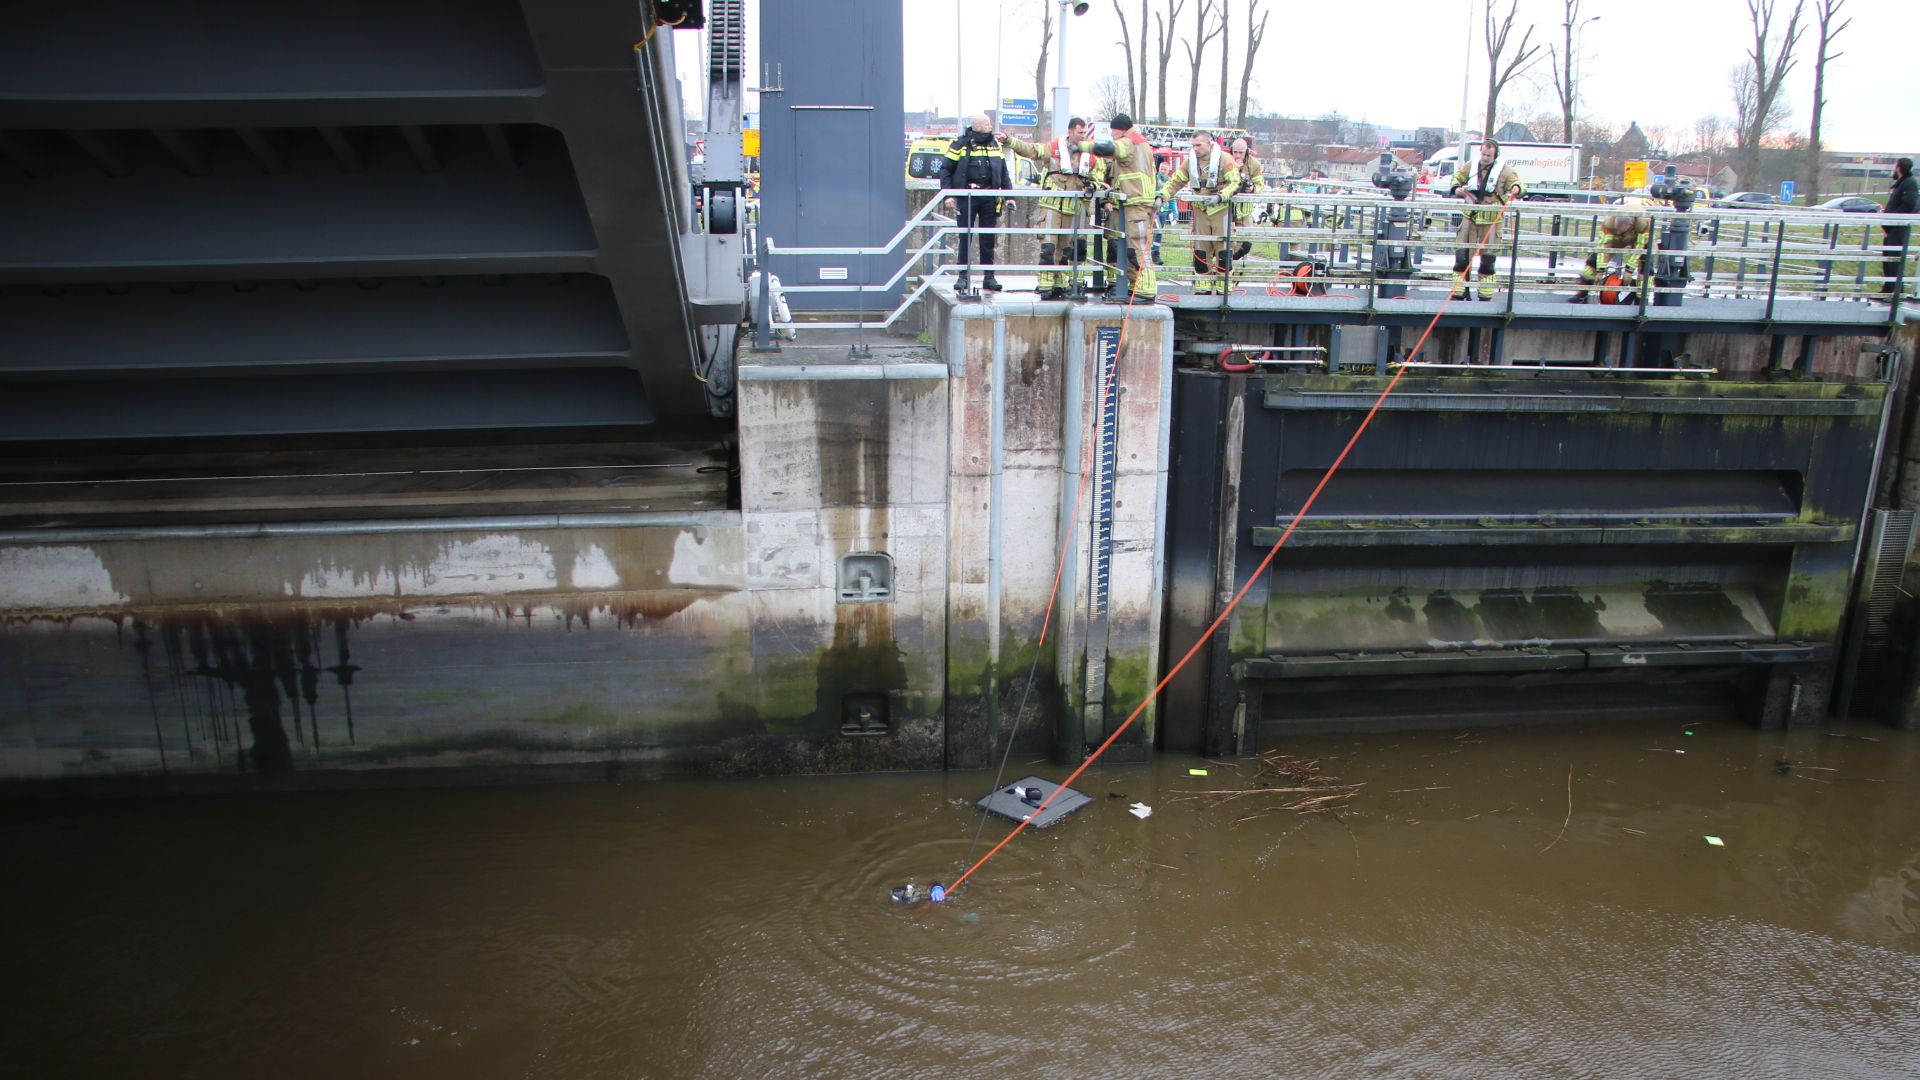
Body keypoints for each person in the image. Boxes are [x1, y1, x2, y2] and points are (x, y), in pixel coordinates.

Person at [1004, 117, 1109, 300]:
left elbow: (1099, 175)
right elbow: (1032, 150)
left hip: (1079, 207)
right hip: (1052, 204)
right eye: (1079, 132)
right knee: (1049, 247)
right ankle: (1046, 285)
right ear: (1070, 132)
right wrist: (1009, 141)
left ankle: (1072, 284)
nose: (1083, 136)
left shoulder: (1093, 154)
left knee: (1077, 249)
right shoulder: (1053, 148)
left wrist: (1093, 185)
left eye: (1085, 132)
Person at [1156, 131, 1242, 295]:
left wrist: (1220, 196)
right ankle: (1203, 290)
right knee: (1201, 252)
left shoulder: (1225, 159)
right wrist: (1162, 196)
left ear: (1209, 144)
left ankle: (1225, 292)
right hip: (1200, 212)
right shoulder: (1190, 162)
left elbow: (1235, 183)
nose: (1195, 149)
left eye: (1198, 145)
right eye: (1193, 145)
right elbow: (1176, 181)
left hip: (1221, 211)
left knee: (1224, 252)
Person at [1088, 113, 1160, 300]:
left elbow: (1111, 149)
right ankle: (1136, 286)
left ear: (1119, 131)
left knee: (1138, 247)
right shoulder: (1140, 144)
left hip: (1136, 202)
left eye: (1113, 134)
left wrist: (1082, 146)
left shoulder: (1130, 143)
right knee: (1131, 248)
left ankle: (1145, 289)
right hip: (1133, 202)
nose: (1113, 137)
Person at [937, 112, 1011, 292]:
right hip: (967, 196)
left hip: (990, 198)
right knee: (965, 237)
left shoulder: (995, 145)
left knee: (988, 238)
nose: (991, 128)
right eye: (988, 125)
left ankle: (989, 277)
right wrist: (949, 195)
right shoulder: (960, 144)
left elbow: (1003, 172)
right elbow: (945, 170)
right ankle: (963, 276)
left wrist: (1010, 196)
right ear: (978, 127)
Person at [1447, 137, 1524, 301]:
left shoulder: (1506, 171)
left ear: (1495, 155)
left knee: (1487, 262)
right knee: (1461, 258)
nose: (1485, 158)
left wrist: (1516, 189)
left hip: (1491, 222)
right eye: (1483, 154)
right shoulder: (1471, 166)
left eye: (1488, 155)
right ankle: (1458, 293)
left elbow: (1520, 185)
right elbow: (1456, 178)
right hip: (1470, 219)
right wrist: (1458, 189)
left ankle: (1485, 296)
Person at [1569, 213, 1651, 303]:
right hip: (1615, 240)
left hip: (1641, 242)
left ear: (1630, 225)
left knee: (1646, 271)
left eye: (1621, 230)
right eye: (1616, 229)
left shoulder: (1643, 226)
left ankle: (1642, 302)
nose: (1618, 232)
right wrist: (1600, 270)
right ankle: (1581, 295)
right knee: (1591, 265)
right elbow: (1602, 247)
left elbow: (1639, 249)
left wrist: (1629, 271)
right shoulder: (1608, 224)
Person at [1882, 157, 1917, 298]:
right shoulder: (1903, 183)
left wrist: (1891, 219)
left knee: (1894, 259)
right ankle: (1888, 289)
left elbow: (1909, 204)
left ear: (1898, 167)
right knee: (1888, 258)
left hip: (1898, 227)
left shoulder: (1909, 184)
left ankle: (1895, 292)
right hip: (1892, 228)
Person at [1228, 138, 1264, 262]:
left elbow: (1260, 185)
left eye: (1241, 153)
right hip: (1226, 209)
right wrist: (1234, 168)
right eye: (1235, 152)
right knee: (1227, 242)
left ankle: (1228, 262)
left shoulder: (1254, 164)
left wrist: (1252, 188)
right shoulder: (1225, 162)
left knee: (1246, 244)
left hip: (1244, 210)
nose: (1237, 155)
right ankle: (1222, 266)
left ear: (1246, 152)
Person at [1153, 157, 1176, 265]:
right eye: (1161, 169)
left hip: (1164, 212)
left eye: (1165, 170)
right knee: (1152, 232)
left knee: (1159, 233)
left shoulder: (1170, 182)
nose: (1163, 171)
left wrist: (1175, 212)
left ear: (1168, 171)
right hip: (1154, 210)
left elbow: (1172, 199)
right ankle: (1149, 253)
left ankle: (1155, 253)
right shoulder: (1154, 179)